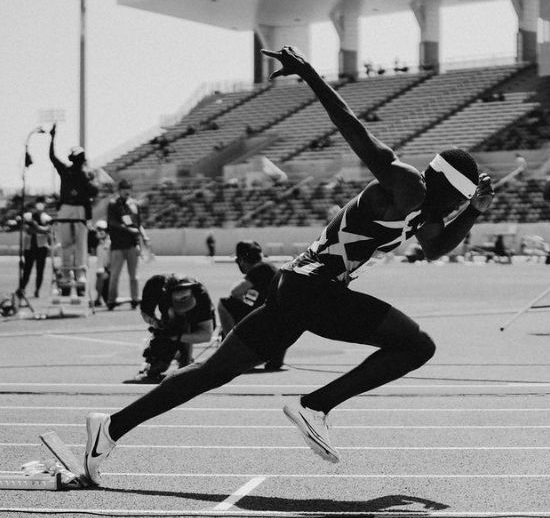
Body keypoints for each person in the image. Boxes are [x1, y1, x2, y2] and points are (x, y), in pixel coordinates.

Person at [82, 46, 493, 484]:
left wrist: (474, 212)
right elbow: (352, 129)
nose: (456, 209)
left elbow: (434, 248)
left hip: (295, 288)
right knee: (417, 346)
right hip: (314, 291)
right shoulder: (406, 185)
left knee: (213, 373)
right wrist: (310, 74)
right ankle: (315, 405)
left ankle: (109, 428)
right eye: (459, 201)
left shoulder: (426, 210)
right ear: (448, 187)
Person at [126, 274, 215, 384]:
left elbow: (206, 334)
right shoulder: (155, 286)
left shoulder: (200, 294)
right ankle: (168, 355)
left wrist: (177, 337)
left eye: (186, 299)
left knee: (182, 330)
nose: (183, 306)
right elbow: (146, 312)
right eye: (179, 302)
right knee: (160, 364)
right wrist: (155, 323)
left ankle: (185, 358)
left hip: (193, 320)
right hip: (168, 319)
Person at [217, 240, 286, 371]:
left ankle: (233, 351)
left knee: (225, 304)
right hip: (279, 330)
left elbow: (235, 291)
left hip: (268, 324)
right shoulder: (270, 267)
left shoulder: (260, 268)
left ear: (242, 259)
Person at [49, 123, 99, 295]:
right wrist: (52, 137)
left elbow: (94, 190)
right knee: (66, 243)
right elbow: (52, 157)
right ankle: (66, 274)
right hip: (66, 208)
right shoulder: (66, 170)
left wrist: (89, 178)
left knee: (80, 244)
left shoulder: (86, 174)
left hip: (79, 209)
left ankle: (79, 275)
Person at [106, 178, 149, 310]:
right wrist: (127, 229)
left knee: (134, 276)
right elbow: (112, 222)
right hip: (118, 245)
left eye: (128, 188)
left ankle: (135, 299)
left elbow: (138, 224)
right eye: (124, 189)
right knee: (115, 275)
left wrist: (144, 236)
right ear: (119, 190)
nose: (127, 191)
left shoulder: (134, 205)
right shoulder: (113, 204)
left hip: (132, 245)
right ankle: (111, 300)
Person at [18, 196, 52, 298]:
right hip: (30, 247)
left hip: (41, 247)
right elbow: (24, 227)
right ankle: (22, 288)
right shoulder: (28, 216)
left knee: (40, 270)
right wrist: (35, 228)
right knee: (26, 270)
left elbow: (48, 229)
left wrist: (36, 227)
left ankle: (37, 290)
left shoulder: (47, 217)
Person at [93, 220, 110, 307]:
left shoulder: (109, 242)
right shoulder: (99, 243)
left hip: (108, 269)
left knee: (100, 281)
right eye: (98, 230)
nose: (100, 232)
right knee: (97, 285)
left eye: (102, 229)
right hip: (102, 269)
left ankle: (98, 299)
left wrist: (107, 269)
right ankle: (99, 298)